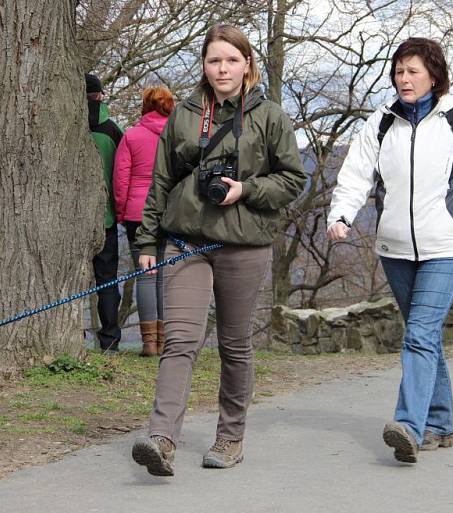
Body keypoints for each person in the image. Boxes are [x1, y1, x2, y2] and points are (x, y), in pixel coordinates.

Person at [130, 25, 307, 476]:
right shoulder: (185, 114)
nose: (222, 68)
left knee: (234, 343)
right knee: (181, 340)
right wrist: (147, 240)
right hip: (186, 241)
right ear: (204, 66)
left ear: (247, 63)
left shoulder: (270, 116)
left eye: (231, 59)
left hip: (243, 246)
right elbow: (161, 181)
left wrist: (246, 189)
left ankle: (230, 437)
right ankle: (162, 438)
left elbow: (293, 180)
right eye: (214, 61)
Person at [327, 37, 453, 463]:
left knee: (420, 335)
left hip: (447, 245)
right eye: (399, 71)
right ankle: (441, 424)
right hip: (394, 248)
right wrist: (341, 215)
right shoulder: (381, 122)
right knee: (424, 338)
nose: (404, 79)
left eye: (413, 71)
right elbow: (356, 174)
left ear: (434, 75)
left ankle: (409, 425)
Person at [113, 86, 174, 357]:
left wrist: (121, 211)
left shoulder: (132, 135)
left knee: (146, 276)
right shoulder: (176, 137)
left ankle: (149, 343)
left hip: (137, 214)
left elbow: (121, 179)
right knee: (164, 276)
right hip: (170, 212)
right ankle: (164, 341)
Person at [86, 73, 123, 354]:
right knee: (107, 282)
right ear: (101, 95)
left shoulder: (64, 128)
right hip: (106, 218)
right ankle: (109, 341)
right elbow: (122, 175)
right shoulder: (113, 131)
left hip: (68, 221)